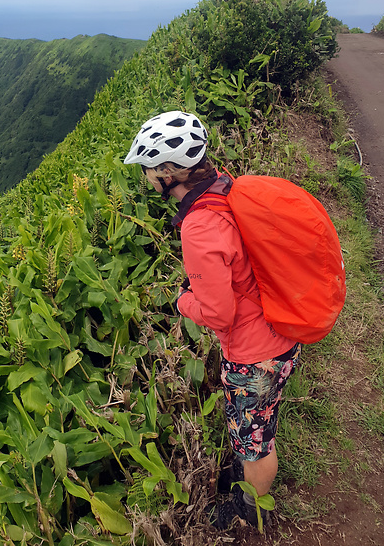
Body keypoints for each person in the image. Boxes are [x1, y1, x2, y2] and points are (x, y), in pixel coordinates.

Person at [122, 110, 300, 529]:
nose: (147, 177)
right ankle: (246, 481)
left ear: (169, 171)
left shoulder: (199, 226)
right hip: (278, 331)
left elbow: (219, 314)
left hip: (254, 353)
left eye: (149, 168)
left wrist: (183, 300)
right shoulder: (223, 187)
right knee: (258, 422)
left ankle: (250, 509)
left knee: (254, 441)